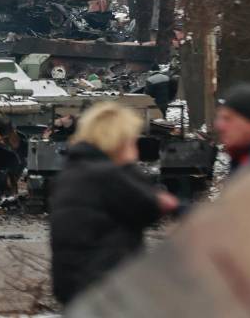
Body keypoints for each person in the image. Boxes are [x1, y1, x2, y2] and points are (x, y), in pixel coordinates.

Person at [49, 101, 178, 305]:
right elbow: (149, 207)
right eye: (131, 139)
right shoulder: (106, 175)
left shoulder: (75, 170)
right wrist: (128, 166)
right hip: (103, 286)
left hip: (77, 285)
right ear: (118, 140)